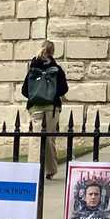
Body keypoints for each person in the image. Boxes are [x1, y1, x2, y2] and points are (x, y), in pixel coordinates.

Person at [23, 39, 68, 178]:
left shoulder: (33, 68)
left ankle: (33, 169)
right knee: (49, 138)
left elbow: (25, 90)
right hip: (51, 108)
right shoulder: (57, 69)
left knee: (36, 138)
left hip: (35, 107)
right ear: (53, 52)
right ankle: (50, 170)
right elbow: (63, 89)